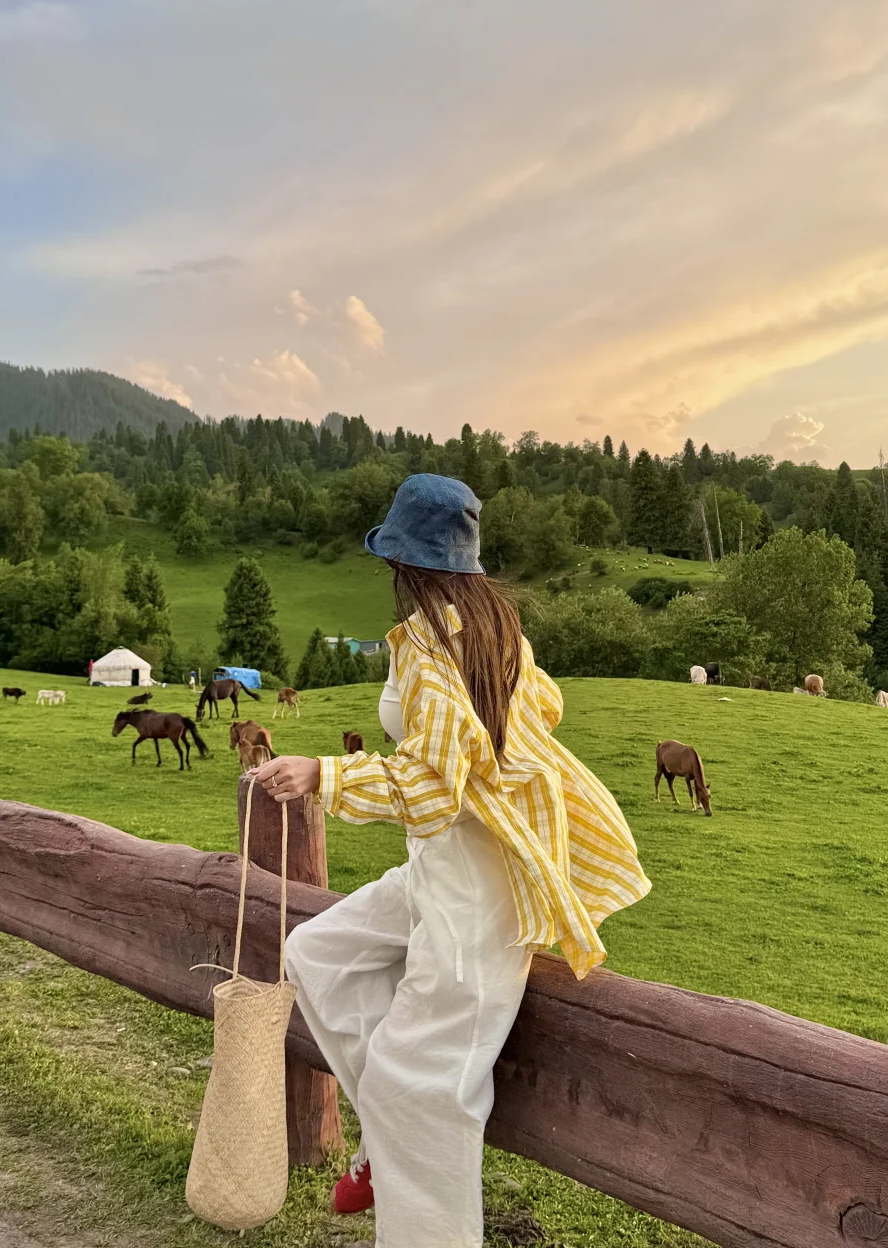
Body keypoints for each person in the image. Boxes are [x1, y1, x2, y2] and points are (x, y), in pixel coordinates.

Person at [251, 473, 650, 1248]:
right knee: (319, 953)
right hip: (443, 868)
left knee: (422, 1087)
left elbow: (434, 785)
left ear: (404, 564)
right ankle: (387, 1147)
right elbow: (533, 720)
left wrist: (323, 774)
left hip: (474, 899)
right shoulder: (495, 630)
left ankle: (409, 1181)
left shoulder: (440, 652)